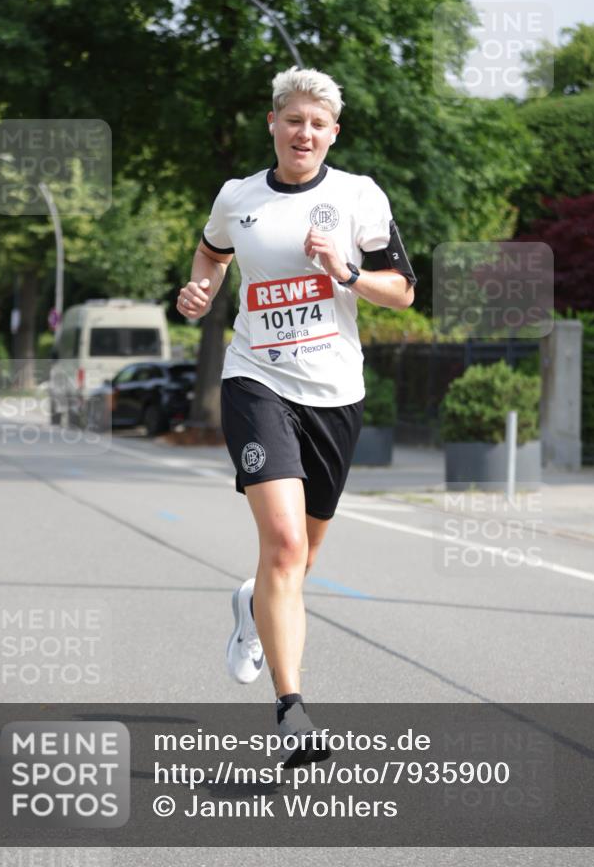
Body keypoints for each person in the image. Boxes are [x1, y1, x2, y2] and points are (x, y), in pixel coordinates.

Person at [177, 67, 416, 767]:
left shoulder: (358, 196)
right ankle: (292, 712)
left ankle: (254, 606)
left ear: (332, 133)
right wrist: (200, 289)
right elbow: (211, 254)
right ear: (273, 124)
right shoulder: (238, 197)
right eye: (292, 120)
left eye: (317, 123)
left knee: (302, 559)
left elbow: (402, 291)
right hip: (257, 381)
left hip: (335, 393)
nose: (303, 133)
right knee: (282, 544)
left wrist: (346, 272)